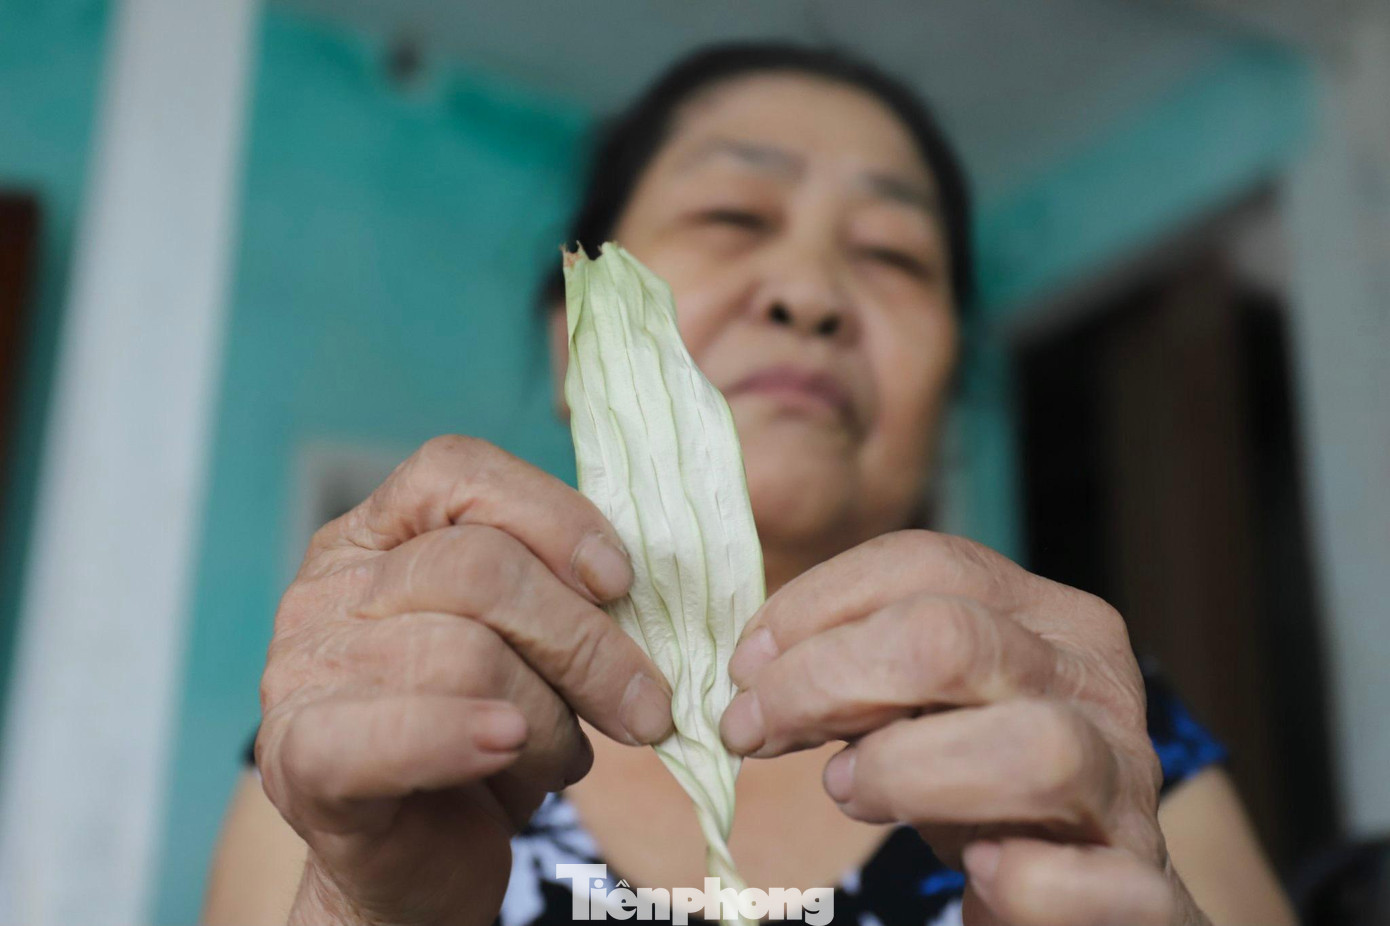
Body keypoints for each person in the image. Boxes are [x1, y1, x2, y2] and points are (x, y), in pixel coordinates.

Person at [202, 43, 1297, 926]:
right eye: (732, 216)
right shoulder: (380, 714)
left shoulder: (1098, 733)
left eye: (893, 255)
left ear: (946, 390)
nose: (810, 292)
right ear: (568, 341)